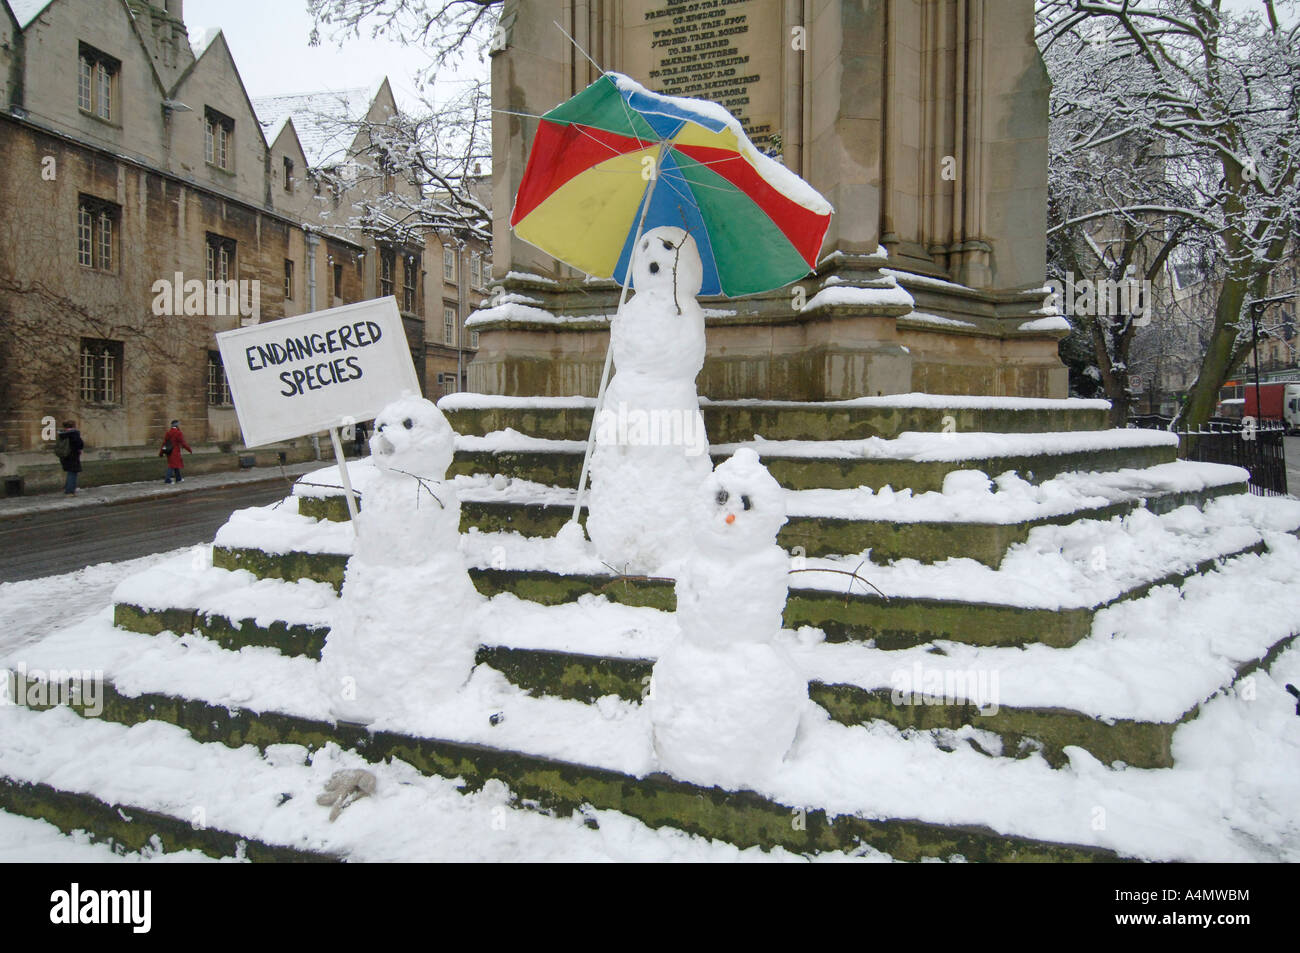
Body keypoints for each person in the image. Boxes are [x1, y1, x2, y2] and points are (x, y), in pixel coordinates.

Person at [54, 420, 84, 495]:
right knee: (73, 472)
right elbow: (80, 444)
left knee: (70, 472)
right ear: (73, 426)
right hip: (72, 455)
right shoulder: (74, 434)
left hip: (64, 455)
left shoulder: (62, 434)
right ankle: (70, 491)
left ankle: (67, 488)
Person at [159, 419, 192, 483]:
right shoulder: (178, 433)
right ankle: (167, 480)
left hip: (169, 452)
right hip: (175, 452)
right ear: (177, 425)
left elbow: (164, 443)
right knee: (172, 466)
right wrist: (189, 449)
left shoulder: (168, 433)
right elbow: (183, 443)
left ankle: (178, 478)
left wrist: (161, 452)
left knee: (175, 465)